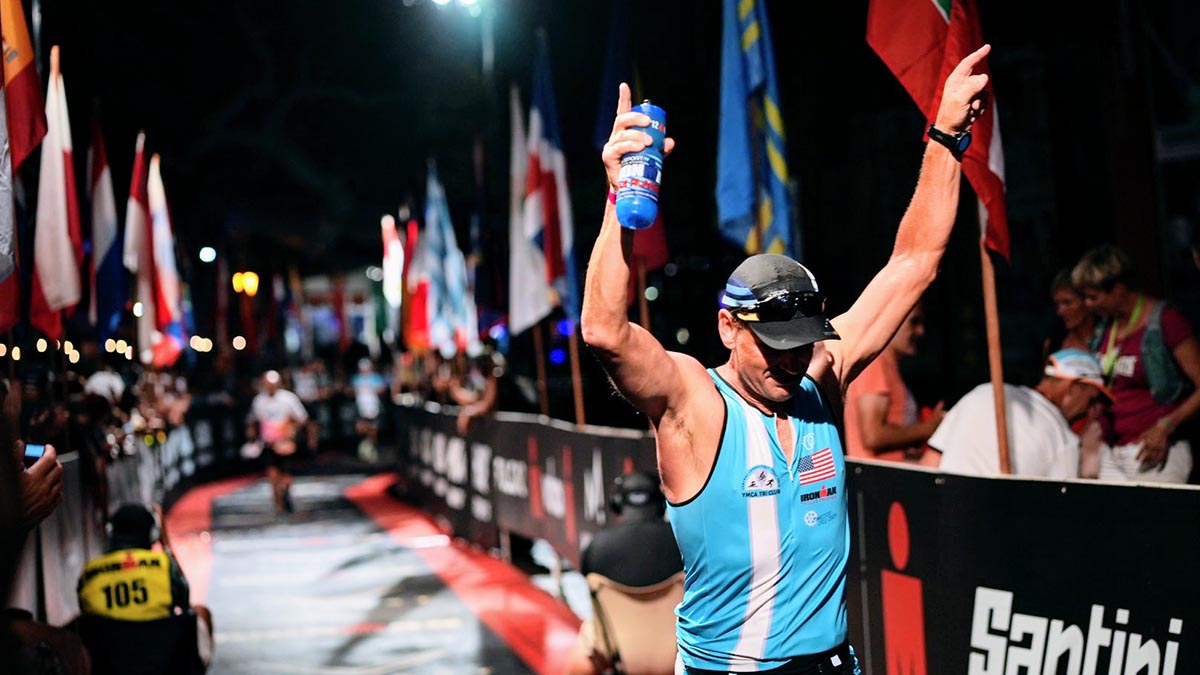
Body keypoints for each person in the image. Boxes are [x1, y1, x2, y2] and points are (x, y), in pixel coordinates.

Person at [580, 46, 992, 674]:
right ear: (727, 327)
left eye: (801, 341)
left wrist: (946, 135)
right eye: (774, 345)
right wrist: (619, 198)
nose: (791, 360)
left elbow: (915, 264)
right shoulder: (695, 402)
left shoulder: (822, 373)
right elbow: (605, 331)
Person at [1072, 245, 1200, 483]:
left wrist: (1166, 426)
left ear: (1118, 290)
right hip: (1111, 449)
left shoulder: (1165, 322)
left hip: (1153, 451)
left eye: (1094, 296)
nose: (1088, 304)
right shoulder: (1105, 329)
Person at [567, 471, 683, 675]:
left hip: (620, 657)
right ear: (664, 500)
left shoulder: (596, 547)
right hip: (679, 655)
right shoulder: (686, 544)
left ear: (617, 502)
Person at [929, 349, 1110, 478]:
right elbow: (1062, 509)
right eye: (1092, 401)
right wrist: (1090, 457)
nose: (1092, 412)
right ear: (1073, 388)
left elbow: (929, 464)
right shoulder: (1063, 439)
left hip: (947, 514)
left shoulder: (984, 392)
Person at [76, 503, 213, 673]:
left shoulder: (89, 573)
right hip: (163, 663)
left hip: (110, 666)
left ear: (110, 532)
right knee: (201, 612)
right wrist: (166, 546)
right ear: (153, 535)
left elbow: (85, 615)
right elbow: (184, 603)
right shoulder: (163, 565)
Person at [843, 304, 943, 464]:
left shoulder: (887, 365)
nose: (921, 331)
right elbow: (873, 436)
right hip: (881, 481)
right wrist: (929, 428)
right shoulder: (875, 364)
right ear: (892, 321)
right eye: (914, 322)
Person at [247, 370, 308, 513]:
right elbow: (252, 421)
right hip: (268, 444)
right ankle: (278, 504)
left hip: (285, 443)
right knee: (272, 474)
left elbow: (301, 418)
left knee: (286, 474)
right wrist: (252, 437)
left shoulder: (288, 399)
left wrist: (291, 430)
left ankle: (286, 493)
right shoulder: (259, 401)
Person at [1043, 268, 1097, 359]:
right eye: (1057, 304)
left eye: (1067, 303)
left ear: (1087, 301)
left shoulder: (1108, 338)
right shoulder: (1055, 343)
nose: (1060, 311)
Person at [350, 358, 386, 462]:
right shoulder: (356, 379)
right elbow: (350, 390)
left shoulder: (375, 378)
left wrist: (372, 389)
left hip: (373, 408)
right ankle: (364, 448)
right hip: (360, 408)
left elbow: (382, 389)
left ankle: (372, 449)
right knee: (361, 428)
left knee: (373, 430)